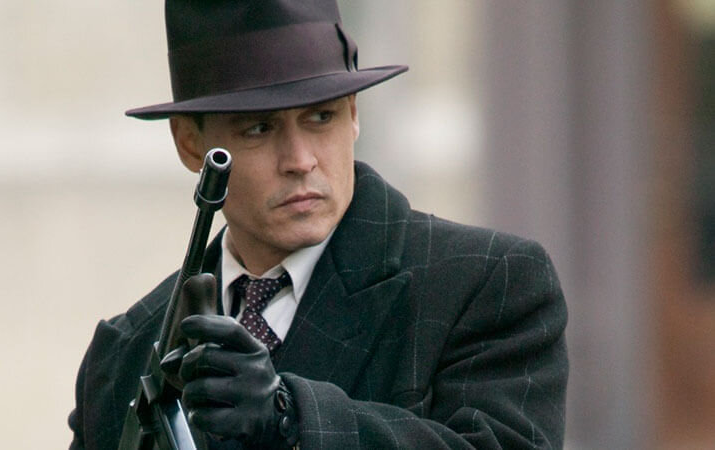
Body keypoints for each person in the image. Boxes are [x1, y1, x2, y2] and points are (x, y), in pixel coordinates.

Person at [68, 1, 568, 449]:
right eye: (259, 128)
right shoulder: (122, 355)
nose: (300, 159)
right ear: (190, 144)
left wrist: (293, 418)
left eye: (321, 117)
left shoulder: (487, 284)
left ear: (353, 114)